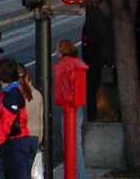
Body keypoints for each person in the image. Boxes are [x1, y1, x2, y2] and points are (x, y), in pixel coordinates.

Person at [0, 58, 37, 179]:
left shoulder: (11, 95)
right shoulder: (14, 91)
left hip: (14, 145)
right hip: (17, 144)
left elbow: (7, 122)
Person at [54, 40, 89, 179]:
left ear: (61, 51)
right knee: (76, 143)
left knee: (71, 145)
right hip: (77, 107)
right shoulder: (77, 63)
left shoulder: (62, 66)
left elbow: (61, 89)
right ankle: (80, 174)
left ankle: (80, 175)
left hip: (69, 108)